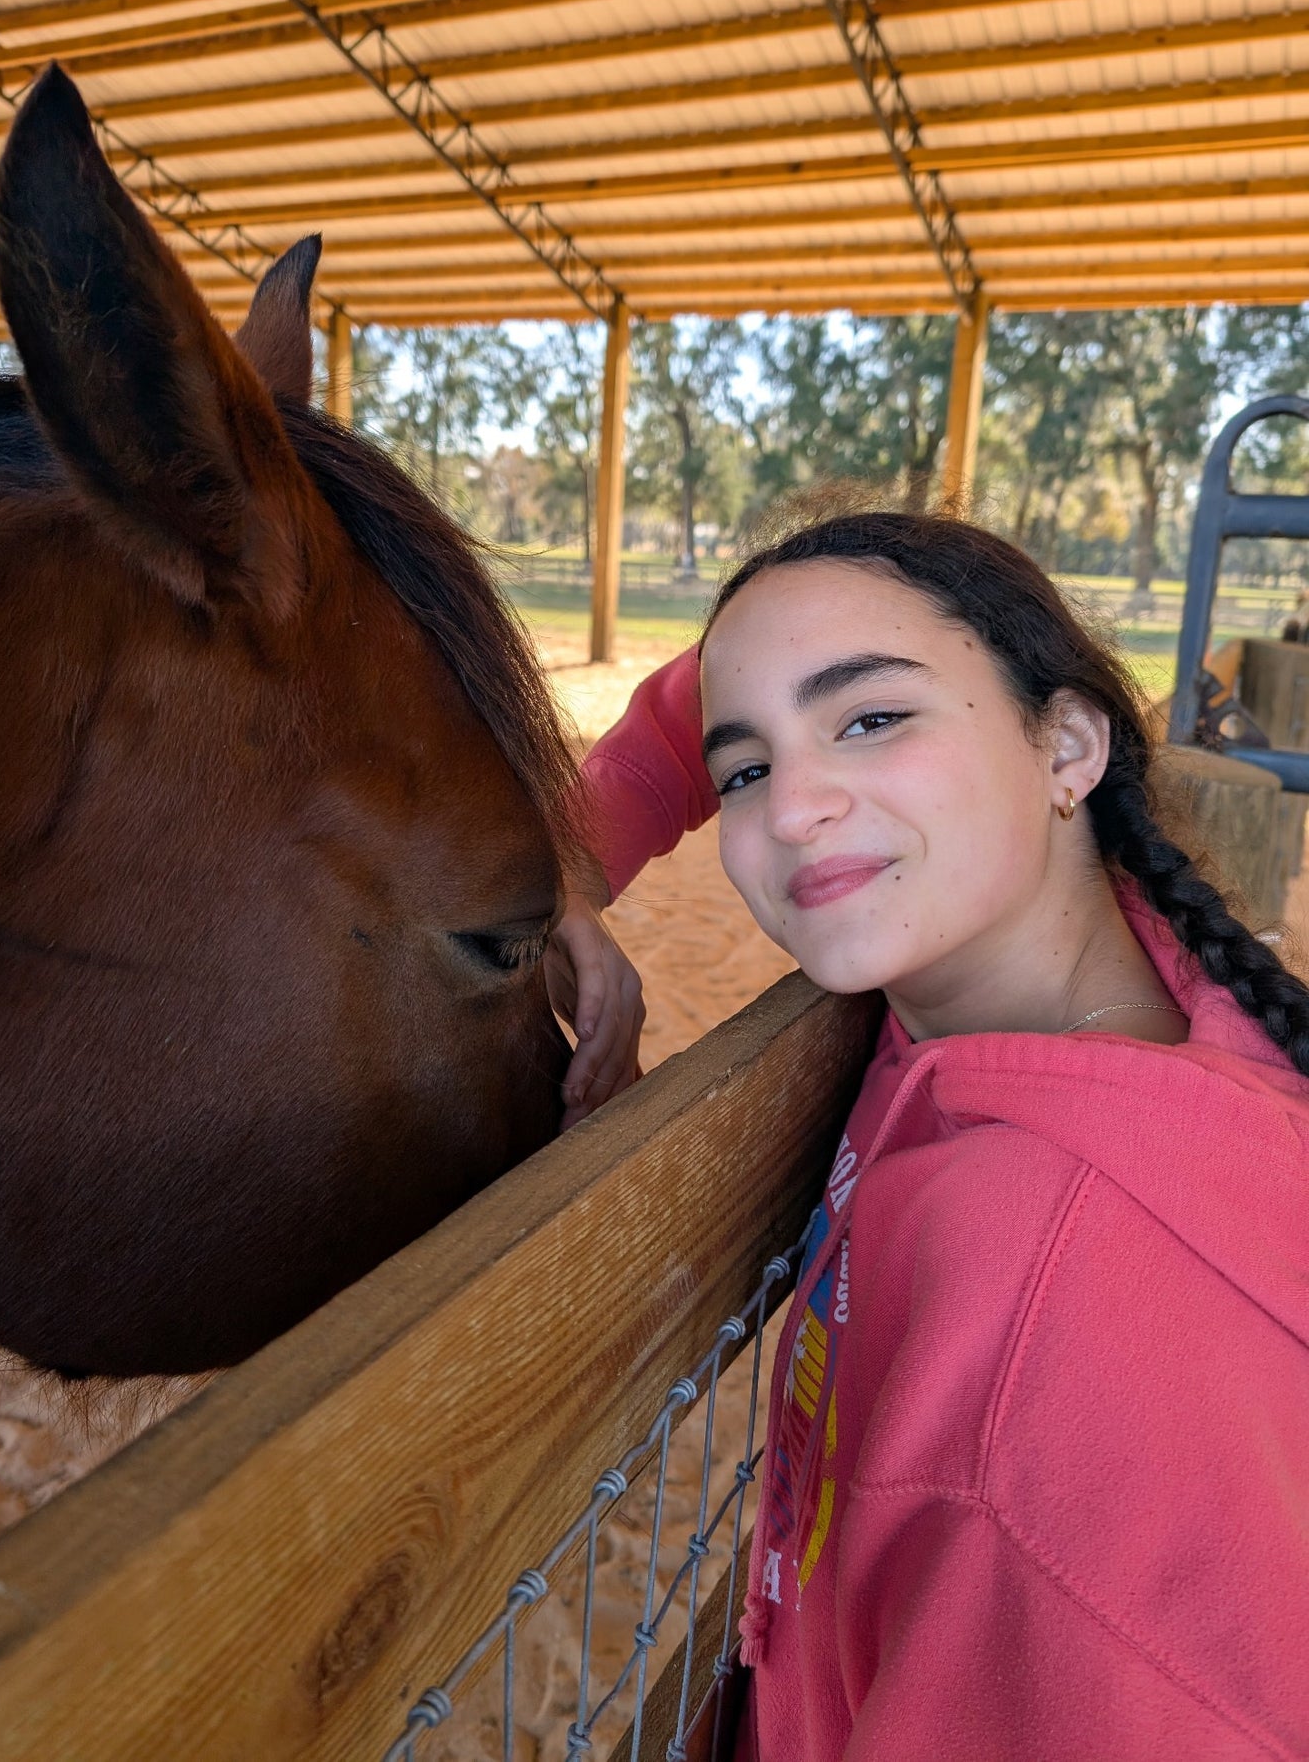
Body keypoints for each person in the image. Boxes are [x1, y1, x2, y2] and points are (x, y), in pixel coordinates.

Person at [554, 504, 1309, 1760]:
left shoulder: (1051, 1346)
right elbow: (708, 702)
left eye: (870, 718)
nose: (792, 808)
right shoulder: (1142, 988)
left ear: (1066, 745)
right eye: (746, 768)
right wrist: (563, 880)